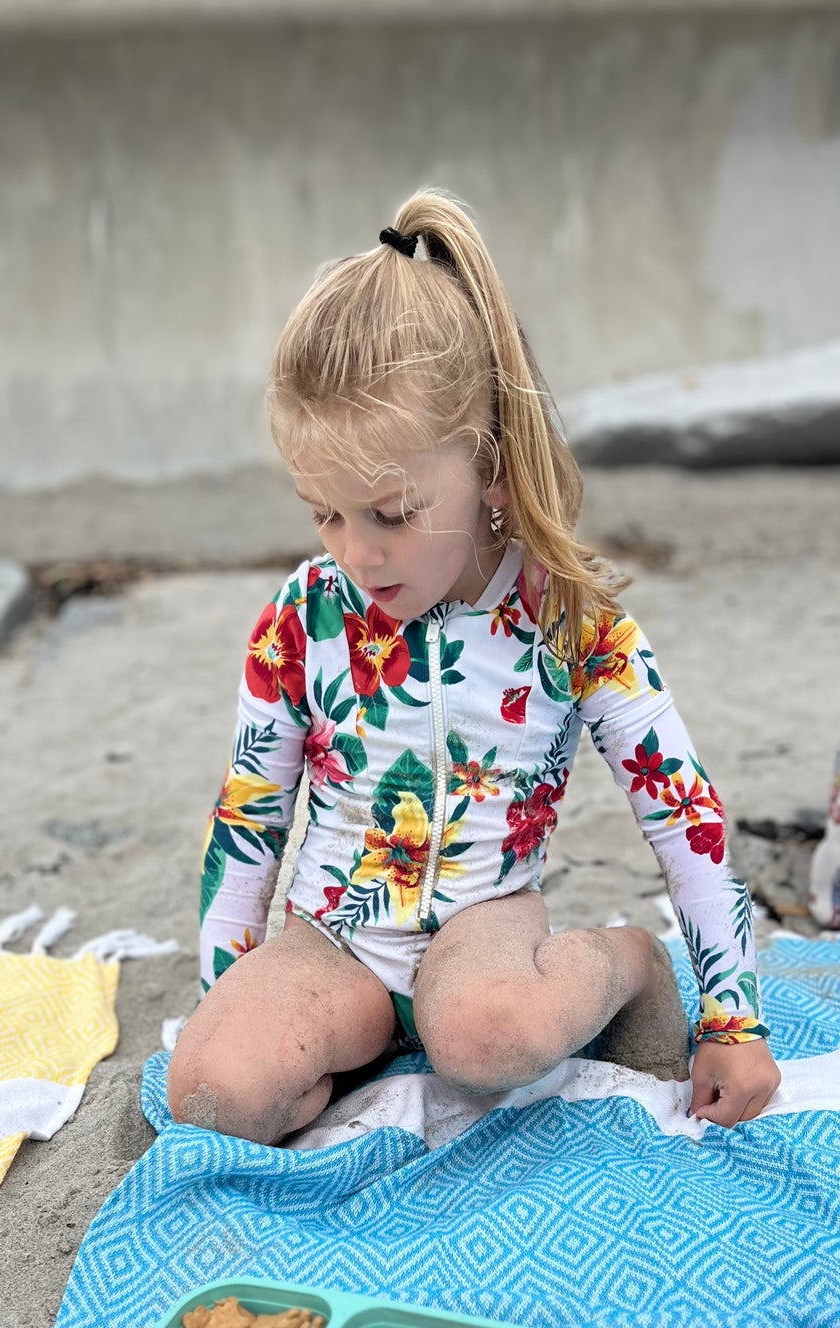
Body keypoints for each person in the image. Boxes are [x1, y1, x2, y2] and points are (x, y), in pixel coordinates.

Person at [169, 188, 781, 1144]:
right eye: (322, 513)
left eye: (391, 512)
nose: (356, 555)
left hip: (482, 930)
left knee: (489, 1034)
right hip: (334, 938)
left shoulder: (570, 619)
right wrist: (229, 997)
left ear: (489, 468)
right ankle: (355, 1037)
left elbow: (682, 808)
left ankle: (623, 961)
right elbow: (250, 816)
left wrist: (730, 1016)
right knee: (210, 1089)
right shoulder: (302, 616)